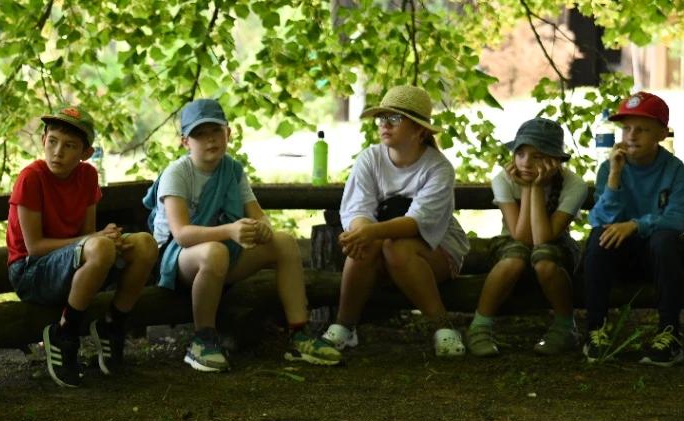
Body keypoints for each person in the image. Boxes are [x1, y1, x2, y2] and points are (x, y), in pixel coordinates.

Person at [146, 98, 341, 373]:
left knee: (284, 242)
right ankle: (203, 340)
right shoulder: (177, 173)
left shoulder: (232, 170)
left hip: (222, 254)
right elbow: (181, 235)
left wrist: (262, 227)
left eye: (215, 131)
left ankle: (299, 334)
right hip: (177, 260)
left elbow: (258, 215)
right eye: (200, 134)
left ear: (228, 133)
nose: (210, 140)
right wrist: (230, 230)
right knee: (215, 251)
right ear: (185, 142)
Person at [7, 105, 157, 387]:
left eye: (69, 146)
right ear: (43, 140)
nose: (57, 152)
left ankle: (113, 324)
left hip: (73, 264)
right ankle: (65, 333)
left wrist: (106, 238)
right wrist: (95, 240)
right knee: (100, 246)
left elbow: (87, 235)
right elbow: (35, 247)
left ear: (86, 153)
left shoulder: (87, 175)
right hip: (31, 273)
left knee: (145, 244)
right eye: (52, 141)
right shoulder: (31, 178)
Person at [323, 85, 472, 357]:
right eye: (382, 118)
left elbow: (417, 222)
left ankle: (443, 327)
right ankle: (344, 327)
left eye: (395, 118)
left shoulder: (438, 168)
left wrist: (371, 233)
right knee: (366, 244)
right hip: (382, 247)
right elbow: (358, 209)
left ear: (419, 130)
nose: (385, 124)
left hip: (437, 250)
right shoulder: (369, 159)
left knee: (396, 247)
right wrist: (361, 234)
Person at [581, 91, 684, 364]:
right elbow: (599, 219)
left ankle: (669, 334)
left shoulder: (674, 169)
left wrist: (635, 225)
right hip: (620, 256)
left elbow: (679, 218)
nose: (631, 136)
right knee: (599, 236)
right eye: (627, 128)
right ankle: (595, 330)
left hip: (659, 258)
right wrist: (615, 176)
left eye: (642, 129)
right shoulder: (610, 168)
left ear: (661, 134)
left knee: (666, 240)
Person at [467, 117, 587, 357]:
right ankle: (479, 326)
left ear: (555, 160)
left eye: (537, 156)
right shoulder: (503, 179)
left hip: (556, 245)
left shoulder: (574, 185)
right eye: (520, 154)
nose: (525, 162)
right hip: (512, 243)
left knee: (544, 259)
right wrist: (527, 188)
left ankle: (565, 327)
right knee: (514, 257)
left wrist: (535, 188)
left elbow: (543, 238)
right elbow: (520, 236)